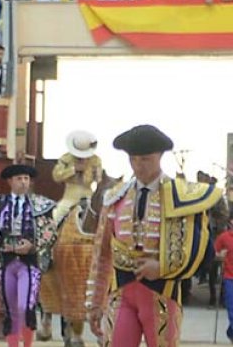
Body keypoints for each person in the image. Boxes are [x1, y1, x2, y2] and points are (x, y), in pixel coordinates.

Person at [86, 124, 223, 347]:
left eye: (146, 159)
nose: (138, 166)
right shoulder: (115, 197)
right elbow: (101, 254)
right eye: (134, 159)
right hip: (121, 293)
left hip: (163, 293)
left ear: (160, 156)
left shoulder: (183, 196)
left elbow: (202, 251)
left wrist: (162, 267)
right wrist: (94, 301)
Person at [0, 164, 55, 347]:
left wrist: (33, 246)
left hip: (30, 262)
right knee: (10, 309)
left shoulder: (41, 204)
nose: (23, 182)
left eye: (26, 179)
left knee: (26, 307)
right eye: (19, 179)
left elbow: (51, 232)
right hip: (5, 262)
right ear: (10, 181)